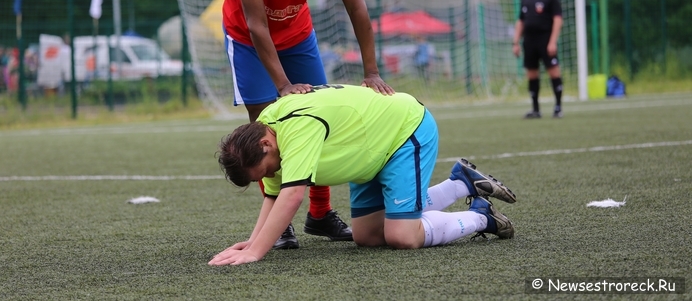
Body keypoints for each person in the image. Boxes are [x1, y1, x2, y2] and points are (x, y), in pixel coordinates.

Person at [221, 0, 394, 249]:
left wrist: (372, 70)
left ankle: (320, 214)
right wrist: (282, 85)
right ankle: (278, 223)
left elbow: (358, 8)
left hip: (298, 36)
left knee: (316, 115)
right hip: (248, 39)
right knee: (264, 127)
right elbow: (256, 25)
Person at [209, 84, 516, 266]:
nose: (272, 174)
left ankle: (482, 216)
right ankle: (460, 183)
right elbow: (274, 196)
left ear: (265, 144)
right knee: (366, 237)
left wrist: (256, 254)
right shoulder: (267, 132)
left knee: (402, 236)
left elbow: (292, 196)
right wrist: (251, 243)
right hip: (368, 153)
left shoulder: (295, 128)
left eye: (267, 170)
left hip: (402, 133)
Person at [512, 0, 564, 118]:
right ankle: (536, 109)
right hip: (529, 41)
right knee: (532, 74)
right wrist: (515, 42)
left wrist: (553, 41)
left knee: (553, 71)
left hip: (546, 40)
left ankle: (558, 107)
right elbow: (521, 21)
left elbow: (558, 19)